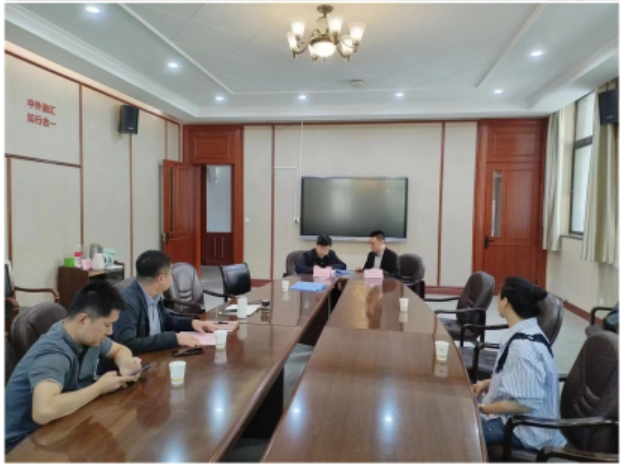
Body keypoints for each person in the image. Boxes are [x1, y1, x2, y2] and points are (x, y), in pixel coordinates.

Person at [5, 281, 142, 453]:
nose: (110, 332)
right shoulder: (54, 353)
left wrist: (126, 364)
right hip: (21, 445)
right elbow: (43, 411)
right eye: (107, 325)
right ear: (83, 320)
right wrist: (99, 388)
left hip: (59, 426)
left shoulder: (85, 335)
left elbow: (120, 350)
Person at [472, 277, 566, 452]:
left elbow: (522, 404)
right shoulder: (528, 331)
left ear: (505, 302)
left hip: (525, 431)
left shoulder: (523, 347)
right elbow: (520, 380)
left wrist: (482, 409)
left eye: (499, 296)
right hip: (516, 418)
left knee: (463, 431)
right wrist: (487, 384)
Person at [113, 250, 220, 354]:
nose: (171, 278)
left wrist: (192, 323)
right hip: (138, 360)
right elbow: (128, 344)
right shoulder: (127, 302)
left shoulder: (154, 294)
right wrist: (174, 338)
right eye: (170, 274)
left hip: (156, 354)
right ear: (161, 279)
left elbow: (166, 320)